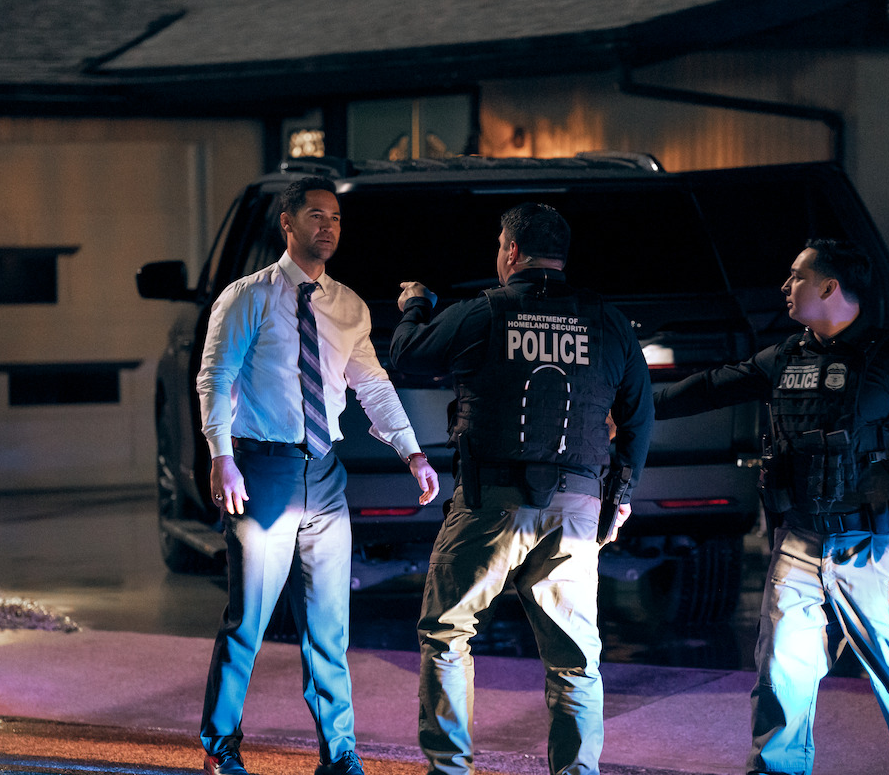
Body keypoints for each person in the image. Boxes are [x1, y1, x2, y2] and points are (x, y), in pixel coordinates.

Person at [654, 238, 889, 775]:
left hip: (876, 549)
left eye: (797, 276)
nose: (786, 287)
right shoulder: (786, 357)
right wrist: (633, 405)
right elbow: (712, 386)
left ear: (829, 287)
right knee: (781, 678)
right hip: (799, 544)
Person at [391, 202, 653, 775]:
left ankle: (450, 770)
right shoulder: (606, 321)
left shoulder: (485, 312)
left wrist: (414, 305)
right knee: (575, 659)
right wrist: (622, 494)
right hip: (577, 508)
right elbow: (639, 415)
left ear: (510, 251)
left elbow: (407, 356)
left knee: (447, 633)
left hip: (491, 502)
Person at [196, 175, 440, 775]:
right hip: (263, 470)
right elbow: (215, 378)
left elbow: (373, 388)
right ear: (288, 224)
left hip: (326, 475)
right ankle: (220, 746)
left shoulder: (349, 306)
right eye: (315, 216)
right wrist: (221, 455)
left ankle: (340, 753)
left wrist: (412, 452)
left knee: (329, 630)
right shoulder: (246, 297)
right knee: (247, 624)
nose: (327, 227)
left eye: (335, 218)